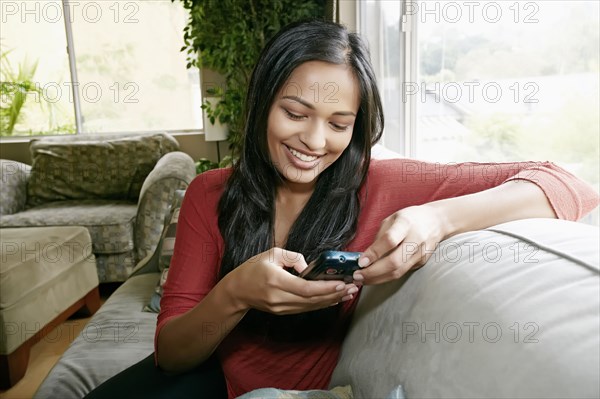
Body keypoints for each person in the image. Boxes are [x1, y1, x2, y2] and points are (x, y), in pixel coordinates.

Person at [86, 20, 599, 399]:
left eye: (339, 123)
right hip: (206, 377)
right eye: (295, 113)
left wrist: (435, 219)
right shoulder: (210, 193)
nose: (314, 140)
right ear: (262, 103)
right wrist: (237, 292)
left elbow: (565, 182)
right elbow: (172, 352)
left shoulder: (382, 184)